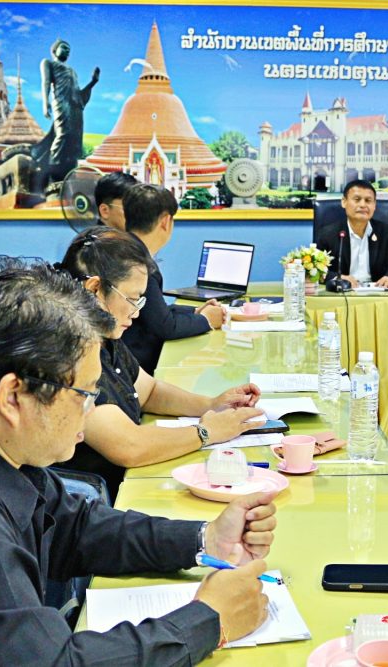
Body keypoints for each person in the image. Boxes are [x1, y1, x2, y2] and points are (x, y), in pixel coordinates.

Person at [0, 259, 276, 665]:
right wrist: (208, 621)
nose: (92, 409)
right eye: (84, 394)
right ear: (13, 396)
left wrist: (204, 538)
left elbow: (74, 528)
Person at [56, 227, 263, 497]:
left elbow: (149, 391)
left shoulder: (104, 336)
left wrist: (210, 404)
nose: (137, 312)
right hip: (95, 498)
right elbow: (128, 446)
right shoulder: (68, 352)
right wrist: (206, 432)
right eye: (132, 299)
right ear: (95, 288)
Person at [118, 184, 225, 374]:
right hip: (136, 366)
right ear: (166, 221)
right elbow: (165, 327)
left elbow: (153, 311)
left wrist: (194, 311)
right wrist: (206, 319)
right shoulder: (139, 264)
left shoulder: (122, 249)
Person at [315, 179, 388, 289]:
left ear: (374, 205)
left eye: (368, 200)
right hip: (342, 291)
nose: (363, 205)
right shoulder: (327, 234)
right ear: (344, 202)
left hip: (375, 292)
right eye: (357, 199)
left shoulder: (385, 232)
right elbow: (317, 269)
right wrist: (338, 278)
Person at [36, 38, 100, 187]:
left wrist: (93, 82)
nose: (67, 51)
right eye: (64, 47)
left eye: (69, 50)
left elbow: (79, 94)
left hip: (75, 107)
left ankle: (69, 174)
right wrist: (45, 102)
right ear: (54, 50)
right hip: (61, 102)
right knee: (63, 134)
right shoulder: (48, 63)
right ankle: (52, 173)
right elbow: (46, 82)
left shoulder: (73, 71)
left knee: (73, 139)